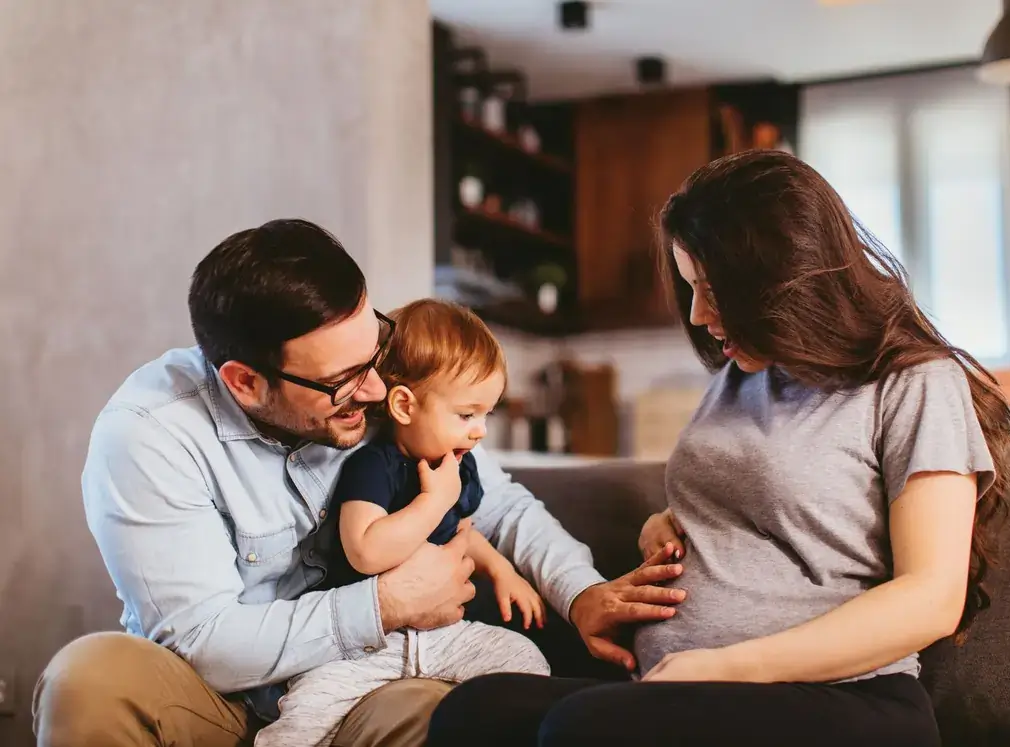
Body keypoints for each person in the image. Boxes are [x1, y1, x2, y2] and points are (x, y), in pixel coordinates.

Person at [426, 149, 1010, 747]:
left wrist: (728, 666)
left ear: (788, 277)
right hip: (686, 690)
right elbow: (770, 510)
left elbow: (932, 598)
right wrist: (668, 525)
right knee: (476, 711)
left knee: (581, 729)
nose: (699, 314)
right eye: (691, 288)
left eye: (715, 290)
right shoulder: (742, 376)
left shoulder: (916, 381)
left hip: (842, 698)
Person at [32, 219, 685, 747]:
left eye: (375, 350)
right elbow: (201, 641)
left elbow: (503, 504)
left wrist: (581, 593)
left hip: (362, 688)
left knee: (456, 709)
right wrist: (384, 603)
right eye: (344, 380)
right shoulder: (150, 433)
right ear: (244, 381)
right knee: (88, 679)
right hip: (217, 699)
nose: (375, 389)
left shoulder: (375, 386)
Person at [255, 299, 550, 747]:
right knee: (303, 719)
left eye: (487, 414)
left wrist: (503, 571)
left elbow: (462, 535)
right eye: (467, 415)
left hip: (444, 635)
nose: (481, 431)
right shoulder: (375, 466)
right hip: (362, 647)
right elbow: (366, 549)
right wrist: (433, 501)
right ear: (405, 405)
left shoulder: (458, 467)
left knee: (527, 664)